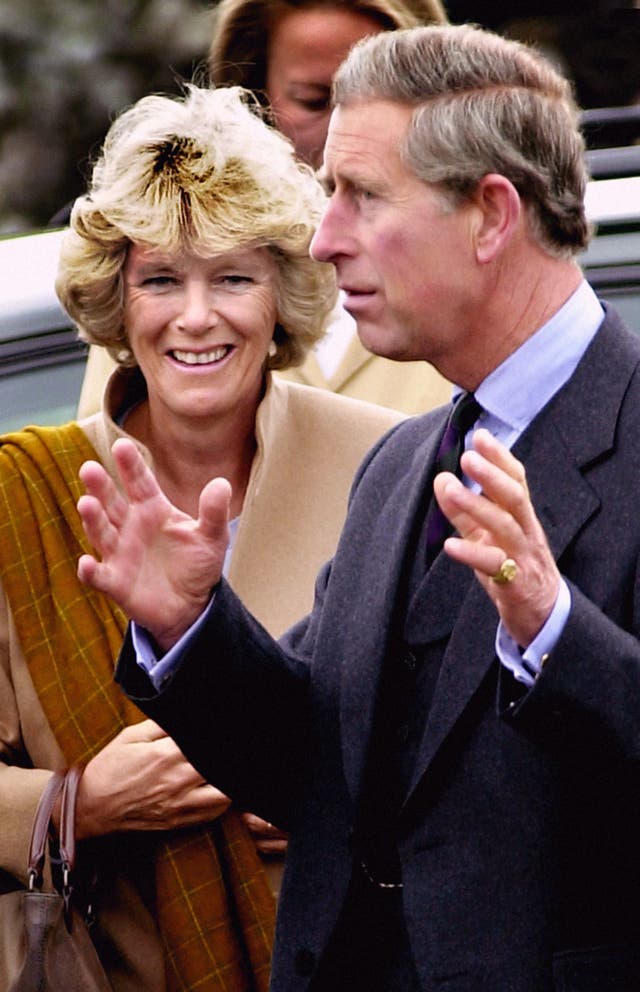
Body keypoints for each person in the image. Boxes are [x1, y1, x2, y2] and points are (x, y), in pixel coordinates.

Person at [75, 23, 640, 991]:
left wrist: (554, 635)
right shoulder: (401, 462)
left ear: (491, 214)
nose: (324, 238)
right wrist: (190, 628)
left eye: (362, 196)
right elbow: (312, 761)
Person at [0, 84, 403, 992]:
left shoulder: (386, 464)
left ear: (283, 294)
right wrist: (80, 804)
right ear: (116, 300)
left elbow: (473, 766)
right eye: (159, 280)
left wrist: (342, 810)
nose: (195, 317)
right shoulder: (22, 493)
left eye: (232, 277)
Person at [76, 0, 452, 419]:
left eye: (379, 104)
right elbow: (102, 454)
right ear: (257, 97)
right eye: (314, 100)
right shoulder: (152, 259)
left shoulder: (471, 274)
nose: (346, 134)